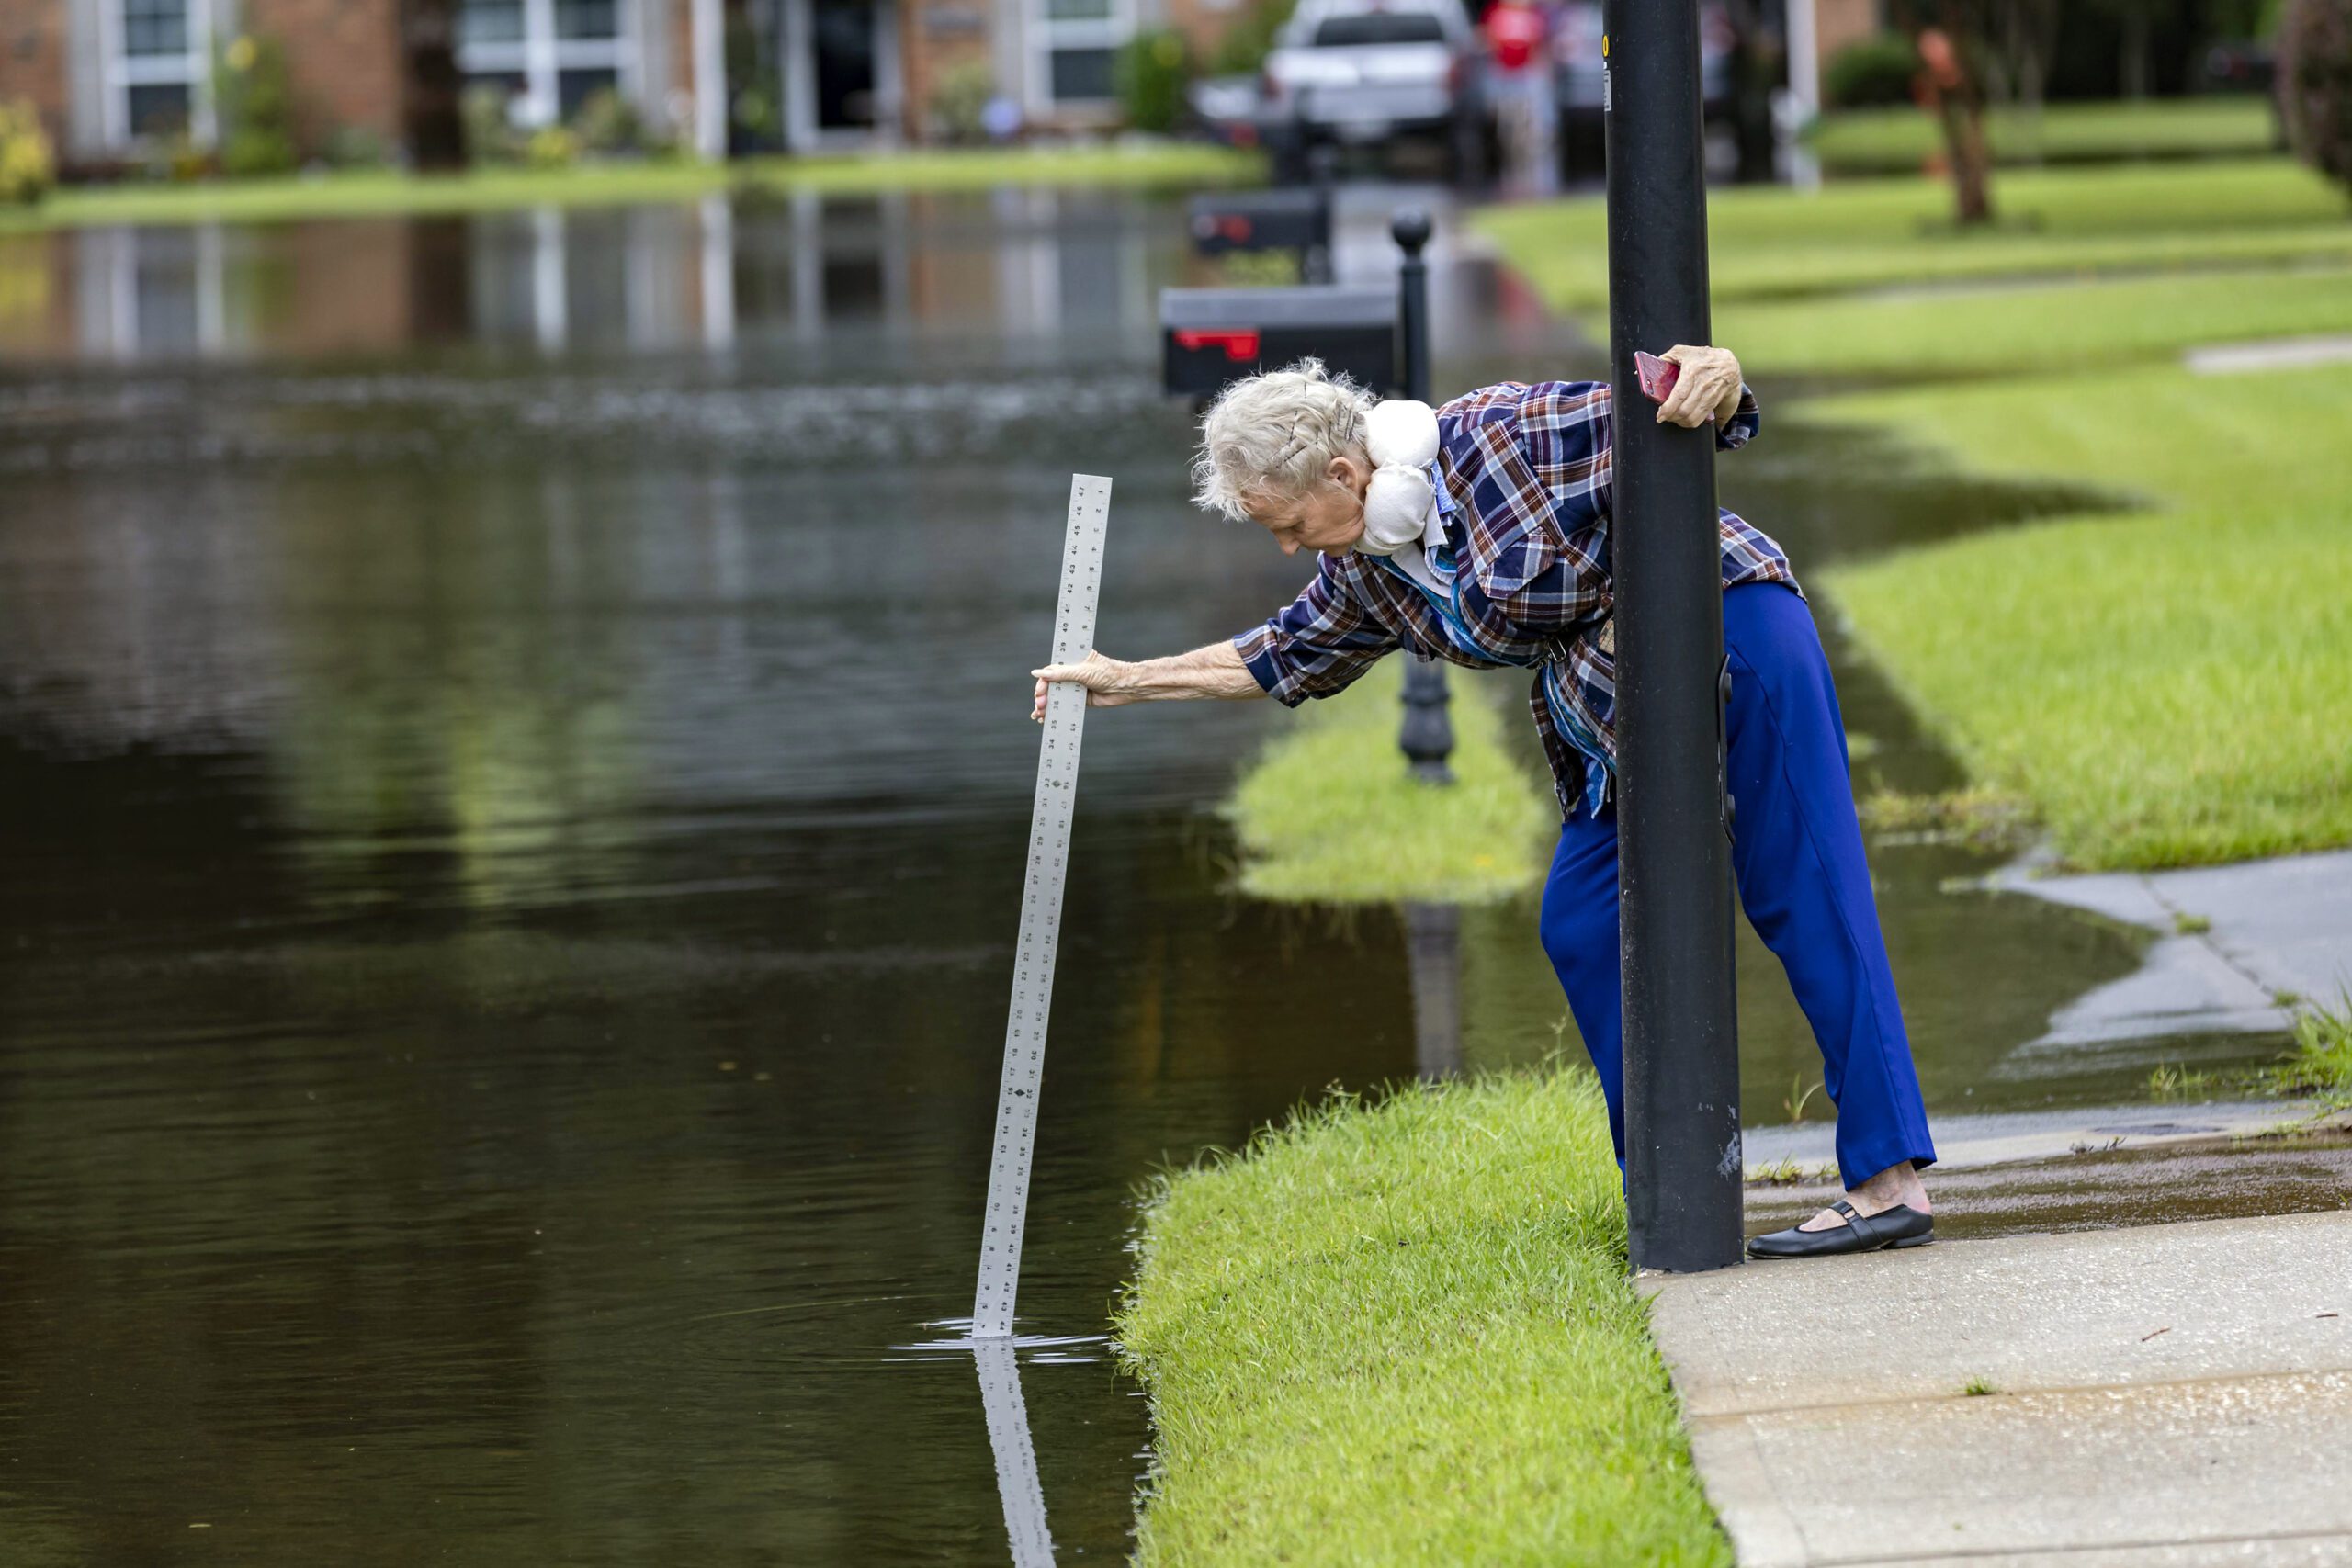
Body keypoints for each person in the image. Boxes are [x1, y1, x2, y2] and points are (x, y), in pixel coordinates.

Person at [1031, 351, 1939, 1258]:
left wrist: (1717, 375)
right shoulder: (1371, 567)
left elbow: (1685, 411)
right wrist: (1124, 681)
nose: (1285, 547)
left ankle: (1887, 1183)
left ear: (1347, 474)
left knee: (1803, 889)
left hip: (1732, 635)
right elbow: (1278, 655)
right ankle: (1673, 1187)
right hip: (1614, 712)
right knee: (1583, 923)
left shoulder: (1510, 430)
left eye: (1287, 523)